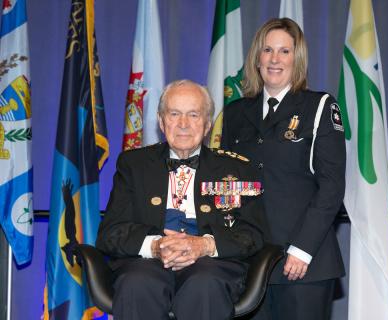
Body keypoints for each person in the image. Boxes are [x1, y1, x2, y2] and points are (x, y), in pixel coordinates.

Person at [96, 79, 267, 320]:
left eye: (194, 115)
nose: (183, 124)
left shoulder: (237, 169)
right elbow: (110, 233)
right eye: (174, 114)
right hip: (146, 263)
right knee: (137, 283)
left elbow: (253, 234)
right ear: (161, 121)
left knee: (204, 283)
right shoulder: (133, 165)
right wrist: (155, 246)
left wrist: (204, 245)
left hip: (212, 265)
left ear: (208, 124)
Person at [221, 18, 346, 320]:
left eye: (284, 51)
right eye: (267, 50)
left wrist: (302, 249)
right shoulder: (236, 112)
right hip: (249, 262)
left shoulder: (319, 107)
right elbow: (227, 184)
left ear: (297, 58)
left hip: (304, 263)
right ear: (257, 57)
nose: (275, 59)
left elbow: (332, 187)